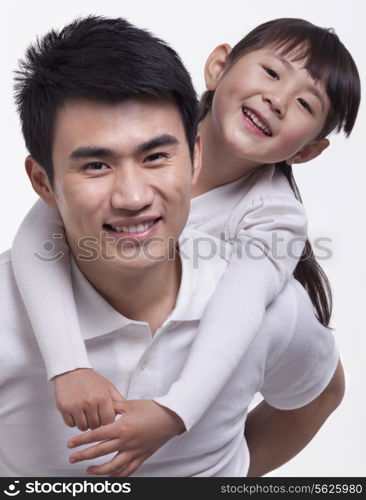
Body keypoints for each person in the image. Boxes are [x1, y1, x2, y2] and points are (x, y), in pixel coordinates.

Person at [0, 16, 346, 477]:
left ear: (306, 151)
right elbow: (37, 236)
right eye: (271, 72)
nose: (277, 101)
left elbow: (244, 314)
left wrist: (177, 416)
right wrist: (67, 367)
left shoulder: (272, 223)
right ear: (218, 66)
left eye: (305, 103)